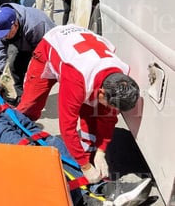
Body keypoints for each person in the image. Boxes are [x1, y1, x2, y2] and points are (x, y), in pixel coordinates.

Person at [0, 81, 152, 206]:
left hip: (15, 117)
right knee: (35, 159)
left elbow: (0, 86)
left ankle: (106, 188)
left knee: (54, 144)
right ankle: (89, 200)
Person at [17, 24, 141, 185]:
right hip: (52, 46)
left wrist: (101, 151)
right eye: (112, 107)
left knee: (94, 114)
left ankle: (85, 157)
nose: (113, 112)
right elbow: (67, 126)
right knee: (30, 105)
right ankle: (16, 144)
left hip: (84, 53)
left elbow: (108, 119)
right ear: (102, 92)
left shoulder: (119, 79)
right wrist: (85, 166)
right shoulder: (76, 79)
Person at [0, 4, 55, 104]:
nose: (4, 37)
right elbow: (0, 49)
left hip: (46, 45)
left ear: (15, 24)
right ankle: (21, 98)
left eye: (6, 33)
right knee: (15, 66)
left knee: (35, 76)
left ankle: (31, 102)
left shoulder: (36, 26)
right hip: (22, 41)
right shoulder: (2, 24)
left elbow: (42, 54)